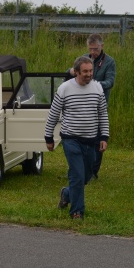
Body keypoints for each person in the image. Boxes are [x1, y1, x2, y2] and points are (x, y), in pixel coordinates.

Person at [46, 56, 109, 220]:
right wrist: (49, 137)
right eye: (85, 72)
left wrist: (104, 137)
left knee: (87, 175)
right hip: (70, 139)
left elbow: (102, 114)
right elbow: (53, 114)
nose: (89, 74)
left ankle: (66, 194)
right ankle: (77, 211)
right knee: (77, 175)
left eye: (91, 71)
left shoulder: (98, 88)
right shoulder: (65, 88)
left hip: (91, 140)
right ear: (77, 72)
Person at [67, 33, 116, 178]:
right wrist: (71, 72)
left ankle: (93, 171)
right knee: (79, 138)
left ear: (102, 46)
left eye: (95, 49)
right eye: (91, 49)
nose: (93, 52)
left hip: (99, 105)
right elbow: (69, 73)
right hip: (81, 105)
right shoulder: (83, 58)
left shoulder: (109, 62)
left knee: (97, 140)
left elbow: (110, 82)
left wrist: (92, 83)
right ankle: (78, 169)